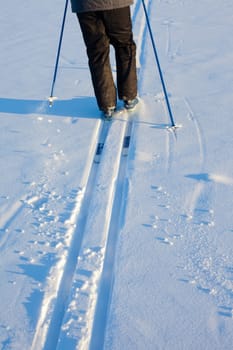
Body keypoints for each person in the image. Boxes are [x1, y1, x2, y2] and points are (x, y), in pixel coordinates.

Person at [70, 0, 139, 118]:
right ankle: (129, 96)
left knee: (97, 51)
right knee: (124, 45)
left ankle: (107, 104)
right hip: (116, 4)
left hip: (84, 5)